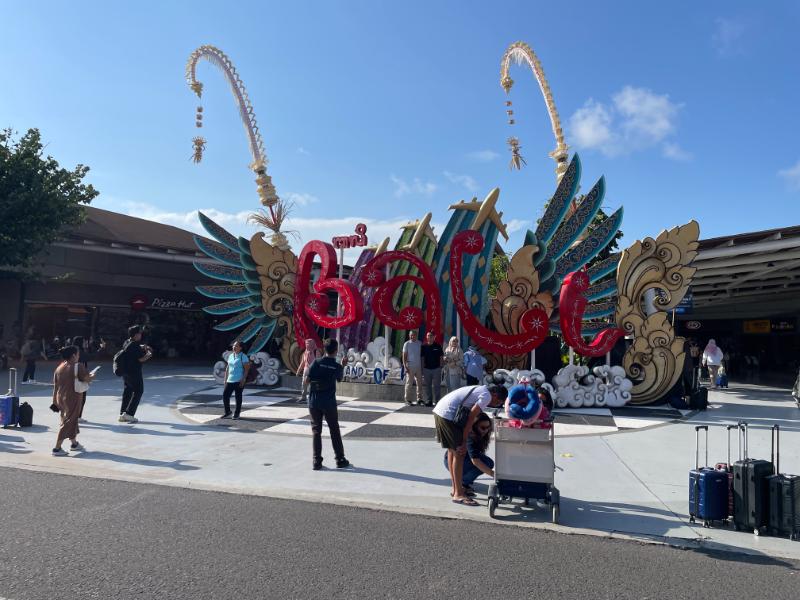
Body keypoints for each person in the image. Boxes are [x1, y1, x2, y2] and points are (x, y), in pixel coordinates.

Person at [433, 383, 508, 506]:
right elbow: (471, 417)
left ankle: (456, 489)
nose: (496, 405)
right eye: (498, 401)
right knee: (459, 452)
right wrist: (463, 439)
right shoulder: (487, 396)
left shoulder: (481, 390)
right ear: (494, 394)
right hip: (447, 414)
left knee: (453, 452)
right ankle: (458, 494)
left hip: (442, 411)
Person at [307, 338, 350, 470]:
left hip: (314, 401)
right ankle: (340, 459)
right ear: (336, 351)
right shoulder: (336, 366)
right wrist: (343, 365)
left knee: (316, 431)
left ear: (324, 349)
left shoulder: (316, 362)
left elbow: (306, 380)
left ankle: (316, 461)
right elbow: (339, 379)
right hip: (329, 402)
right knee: (334, 430)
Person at [51, 345, 94, 456]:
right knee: (69, 421)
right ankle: (57, 448)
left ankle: (74, 443)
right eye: (78, 354)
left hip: (60, 397)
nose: (79, 356)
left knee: (71, 419)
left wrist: (54, 400)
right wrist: (92, 376)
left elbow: (55, 386)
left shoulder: (60, 367)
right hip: (73, 397)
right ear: (74, 355)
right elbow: (86, 378)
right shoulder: (77, 366)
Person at [442, 412, 494, 495]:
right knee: (484, 464)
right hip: (451, 461)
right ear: (474, 426)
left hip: (461, 458)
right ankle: (462, 483)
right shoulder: (470, 437)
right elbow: (475, 461)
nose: (486, 430)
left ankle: (463, 480)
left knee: (489, 462)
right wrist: (494, 475)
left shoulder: (479, 435)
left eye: (488, 427)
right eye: (483, 428)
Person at [118, 325, 152, 423]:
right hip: (134, 372)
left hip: (126, 372)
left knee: (127, 391)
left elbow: (131, 349)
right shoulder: (135, 345)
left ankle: (123, 413)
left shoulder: (127, 342)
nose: (141, 334)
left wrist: (141, 346)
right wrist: (148, 354)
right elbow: (141, 359)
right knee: (139, 391)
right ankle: (129, 414)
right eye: (140, 333)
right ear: (136, 335)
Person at [221, 341, 250, 419]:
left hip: (239, 380)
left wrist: (243, 379)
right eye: (233, 345)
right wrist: (225, 379)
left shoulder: (243, 356)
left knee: (238, 397)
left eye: (236, 346)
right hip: (230, 380)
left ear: (241, 348)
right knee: (225, 396)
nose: (234, 347)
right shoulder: (231, 355)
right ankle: (228, 412)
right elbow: (228, 368)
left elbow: (247, 369)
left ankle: (237, 413)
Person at [420, 331, 444, 407]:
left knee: (437, 386)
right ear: (426, 337)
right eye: (428, 336)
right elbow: (422, 358)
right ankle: (429, 400)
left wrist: (440, 367)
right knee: (428, 386)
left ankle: (437, 401)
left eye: (430, 336)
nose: (429, 337)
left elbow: (441, 357)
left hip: (436, 369)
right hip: (427, 369)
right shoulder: (423, 346)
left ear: (434, 337)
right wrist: (422, 368)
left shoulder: (438, 346)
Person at [296, 338, 321, 403]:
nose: (307, 345)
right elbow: (302, 362)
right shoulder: (305, 352)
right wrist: (298, 371)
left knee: (313, 385)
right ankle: (303, 397)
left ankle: (313, 398)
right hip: (306, 369)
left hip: (314, 370)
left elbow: (319, 362)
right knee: (304, 383)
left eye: (309, 344)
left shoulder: (316, 352)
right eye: (306, 344)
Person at [402, 330, 423, 405]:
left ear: (416, 335)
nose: (412, 336)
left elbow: (421, 356)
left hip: (418, 366)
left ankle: (419, 399)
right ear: (409, 335)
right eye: (411, 335)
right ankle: (407, 399)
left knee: (419, 383)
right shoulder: (406, 344)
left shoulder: (420, 343)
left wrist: (422, 366)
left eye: (413, 335)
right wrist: (405, 366)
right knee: (409, 383)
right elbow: (404, 356)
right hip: (410, 366)